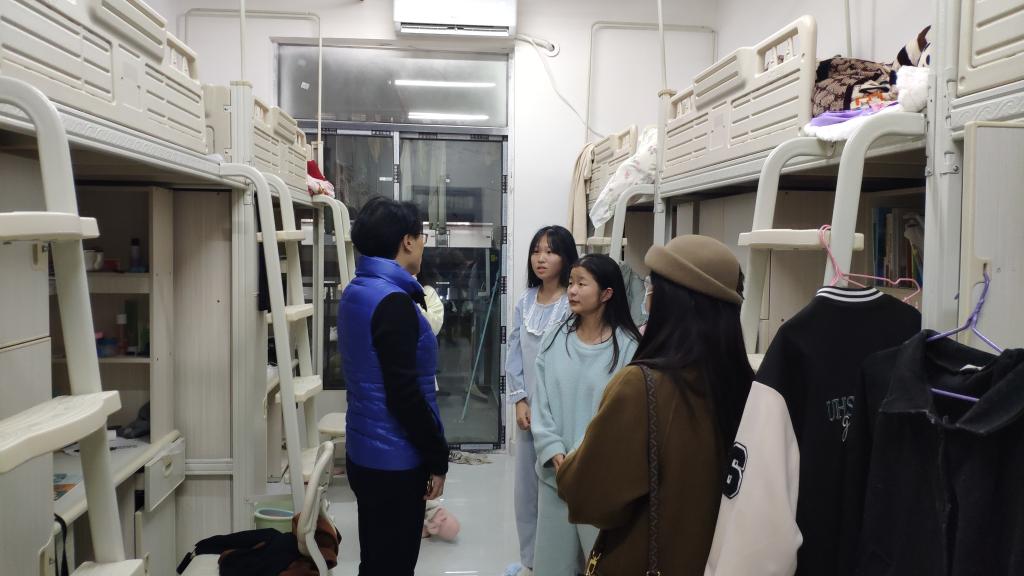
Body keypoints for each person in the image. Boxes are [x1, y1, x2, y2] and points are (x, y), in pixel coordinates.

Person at [555, 235, 754, 575]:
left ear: (670, 302)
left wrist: (574, 459)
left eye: (652, 287)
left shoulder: (640, 387)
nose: (647, 296)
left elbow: (587, 497)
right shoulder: (748, 388)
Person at [338, 196, 449, 576]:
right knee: (394, 566)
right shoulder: (394, 302)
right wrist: (437, 456)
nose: (423, 245)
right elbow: (404, 395)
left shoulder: (357, 290)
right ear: (407, 241)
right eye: (422, 237)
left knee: (375, 561)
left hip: (363, 451)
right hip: (395, 462)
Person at [531, 253, 641, 575]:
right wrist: (553, 449)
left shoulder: (629, 347)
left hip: (600, 482)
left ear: (607, 293)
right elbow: (541, 404)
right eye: (570, 283)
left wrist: (583, 459)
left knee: (601, 564)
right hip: (555, 476)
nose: (572, 290)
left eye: (582, 283)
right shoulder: (554, 339)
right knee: (552, 567)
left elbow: (624, 418)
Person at [505, 225, 579, 574]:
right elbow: (515, 353)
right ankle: (531, 561)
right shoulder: (524, 301)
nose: (541, 258)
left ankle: (562, 562)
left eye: (550, 251)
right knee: (526, 491)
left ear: (566, 258)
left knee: (557, 487)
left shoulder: (573, 303)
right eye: (536, 250)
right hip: (528, 412)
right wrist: (520, 399)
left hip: (560, 410)